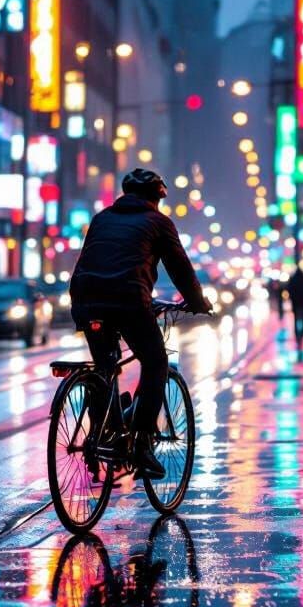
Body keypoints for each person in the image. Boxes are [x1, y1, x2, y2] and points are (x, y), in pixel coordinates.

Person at [70, 168, 211, 479]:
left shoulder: (101, 218)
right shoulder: (159, 223)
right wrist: (198, 302)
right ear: (156, 197)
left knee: (106, 366)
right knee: (156, 361)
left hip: (85, 300)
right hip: (128, 302)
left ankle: (105, 432)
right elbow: (180, 269)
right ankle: (142, 443)